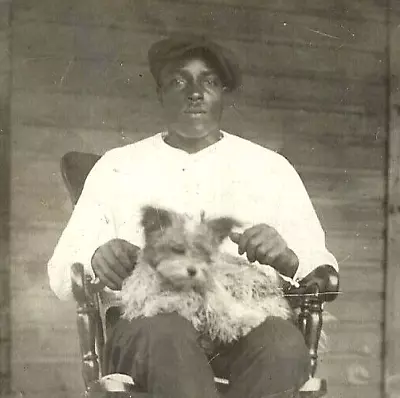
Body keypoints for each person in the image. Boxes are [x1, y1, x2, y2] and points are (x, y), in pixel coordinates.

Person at [48, 34, 338, 398]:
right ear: (159, 92)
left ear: (223, 92)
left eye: (210, 81)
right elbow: (62, 273)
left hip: (244, 322)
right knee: (167, 336)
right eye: (179, 81)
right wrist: (94, 257)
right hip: (149, 328)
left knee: (282, 343)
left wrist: (290, 259)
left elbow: (324, 270)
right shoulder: (117, 167)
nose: (195, 92)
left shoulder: (270, 168)